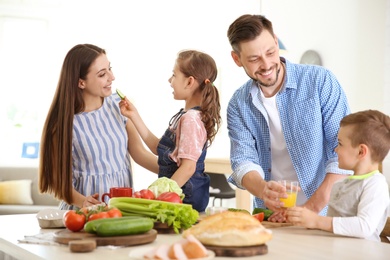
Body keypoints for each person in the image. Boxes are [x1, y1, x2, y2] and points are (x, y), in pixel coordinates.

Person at [225, 14, 352, 221]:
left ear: (276, 41)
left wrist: (310, 210)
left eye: (270, 52)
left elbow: (342, 155)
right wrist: (263, 190)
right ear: (237, 59)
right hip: (271, 216)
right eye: (254, 59)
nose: (266, 65)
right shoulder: (238, 104)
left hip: (324, 215)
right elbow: (243, 162)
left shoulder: (320, 82)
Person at [39, 44, 158, 210]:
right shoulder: (63, 124)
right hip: (83, 214)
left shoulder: (119, 105)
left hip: (120, 210)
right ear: (81, 82)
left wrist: (176, 174)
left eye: (110, 69)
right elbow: (58, 183)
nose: (112, 77)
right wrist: (83, 202)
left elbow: (140, 153)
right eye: (102, 74)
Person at [119, 50, 222, 212]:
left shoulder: (191, 119)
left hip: (185, 198)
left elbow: (188, 167)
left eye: (174, 75)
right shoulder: (185, 116)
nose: (170, 80)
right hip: (180, 195)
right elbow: (157, 148)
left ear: (189, 82)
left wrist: (161, 196)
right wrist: (134, 115)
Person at [286, 110, 390, 242]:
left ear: (361, 151)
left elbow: (364, 227)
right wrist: (304, 220)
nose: (335, 149)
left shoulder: (375, 185)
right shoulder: (340, 184)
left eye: (340, 143)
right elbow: (333, 229)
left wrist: (317, 221)